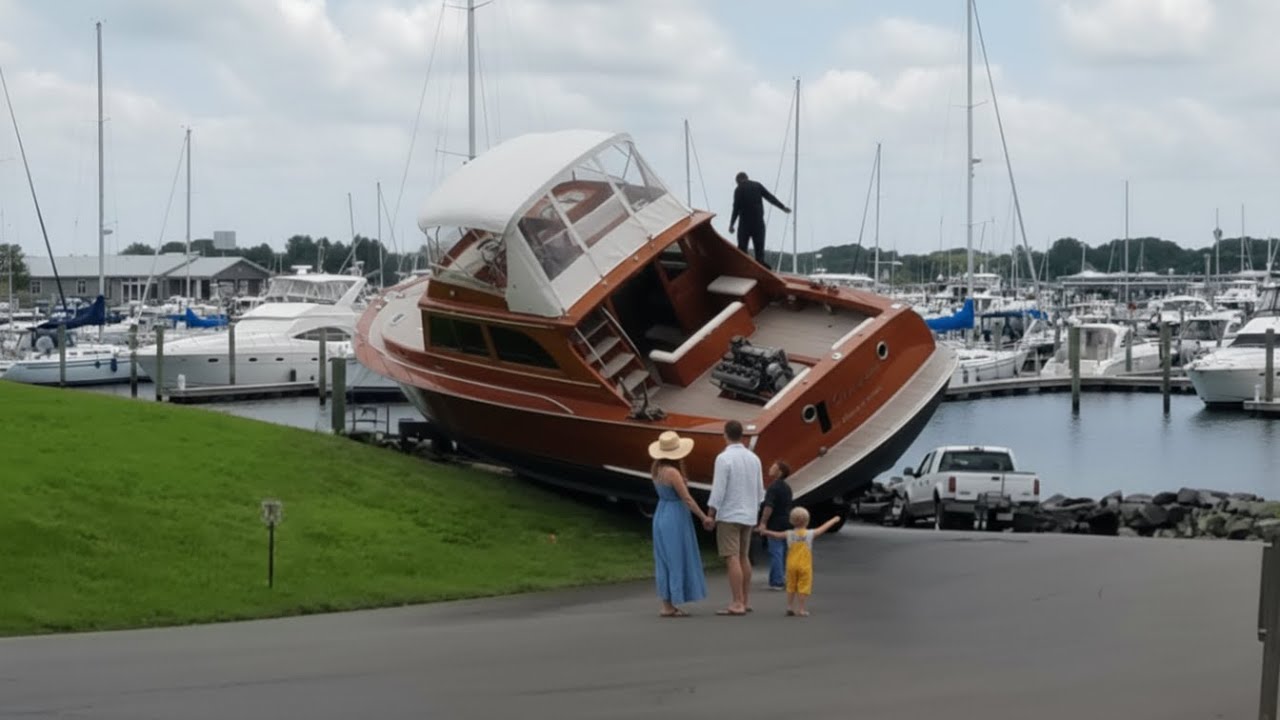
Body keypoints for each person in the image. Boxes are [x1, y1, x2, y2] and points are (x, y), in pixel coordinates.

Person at [648, 430, 711, 617]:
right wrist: (703, 517)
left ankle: (667, 603)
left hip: (661, 511)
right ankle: (674, 599)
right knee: (677, 556)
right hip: (675, 515)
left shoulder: (656, 469)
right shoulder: (672, 472)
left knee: (664, 558)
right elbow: (687, 499)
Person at [706, 419, 765, 616]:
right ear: (742, 435)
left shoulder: (724, 458)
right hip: (749, 513)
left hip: (730, 513)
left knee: (731, 557)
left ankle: (737, 602)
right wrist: (756, 510)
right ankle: (745, 600)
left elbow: (718, 489)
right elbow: (760, 490)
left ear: (725, 434)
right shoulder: (754, 458)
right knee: (743, 556)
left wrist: (711, 513)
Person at [757, 507, 841, 617]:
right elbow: (822, 528)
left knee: (791, 585)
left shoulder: (789, 534)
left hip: (791, 565)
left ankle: (789, 606)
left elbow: (776, 535)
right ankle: (801, 609)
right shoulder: (810, 534)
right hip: (805, 565)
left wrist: (765, 532)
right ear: (807, 521)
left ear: (791, 521)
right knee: (803, 587)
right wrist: (834, 520)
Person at [728, 172, 790, 266]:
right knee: (759, 252)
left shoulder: (738, 189)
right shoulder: (757, 185)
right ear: (747, 178)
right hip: (758, 224)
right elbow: (770, 197)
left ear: (738, 180)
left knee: (742, 250)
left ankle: (743, 266)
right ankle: (760, 264)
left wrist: (731, 224)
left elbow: (736, 208)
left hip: (745, 225)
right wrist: (782, 207)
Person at [756, 460, 793, 592]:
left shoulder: (773, 488)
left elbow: (769, 506)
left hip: (775, 523)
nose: (770, 468)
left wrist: (763, 522)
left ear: (780, 472)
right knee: (782, 551)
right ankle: (780, 578)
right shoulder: (787, 488)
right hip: (787, 521)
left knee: (775, 551)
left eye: (774, 467)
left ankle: (777, 581)